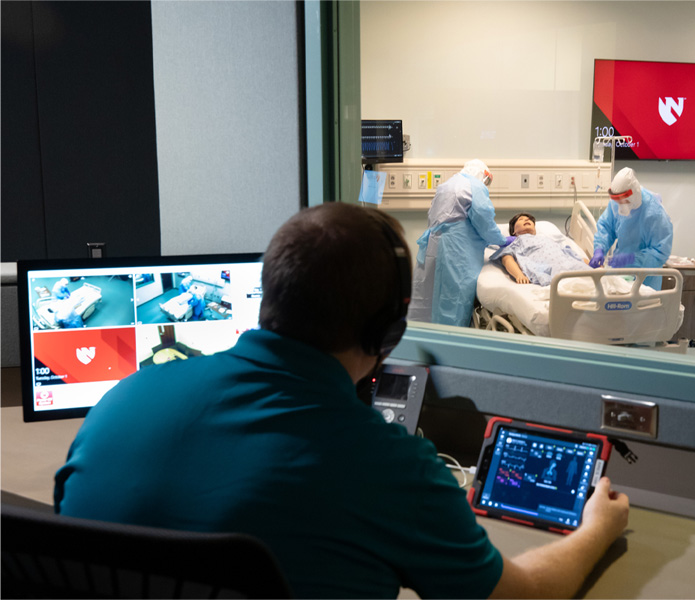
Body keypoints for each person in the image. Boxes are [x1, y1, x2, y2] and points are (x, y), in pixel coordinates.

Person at [54, 203, 629, 599]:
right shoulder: (385, 465)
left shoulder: (123, 401)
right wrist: (596, 529)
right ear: (389, 335)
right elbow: (517, 595)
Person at [409, 159, 508, 327]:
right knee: (452, 298)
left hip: (433, 244)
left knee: (427, 295)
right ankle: (449, 343)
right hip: (456, 248)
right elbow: (483, 219)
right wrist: (501, 240)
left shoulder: (447, 184)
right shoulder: (476, 186)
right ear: (483, 175)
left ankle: (423, 341)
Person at [589, 167, 673, 290]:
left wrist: (631, 259)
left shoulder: (654, 213)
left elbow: (660, 252)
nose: (620, 207)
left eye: (623, 201)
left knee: (642, 306)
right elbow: (606, 227)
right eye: (617, 201)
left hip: (646, 280)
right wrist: (599, 250)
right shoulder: (616, 203)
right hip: (620, 275)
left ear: (634, 194)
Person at [491, 212, 593, 286]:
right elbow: (506, 258)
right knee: (565, 281)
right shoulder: (516, 242)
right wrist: (519, 275)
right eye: (521, 219)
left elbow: (569, 254)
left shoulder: (546, 239)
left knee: (592, 277)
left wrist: (591, 264)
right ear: (513, 231)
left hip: (569, 263)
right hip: (549, 267)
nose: (526, 220)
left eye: (528, 220)